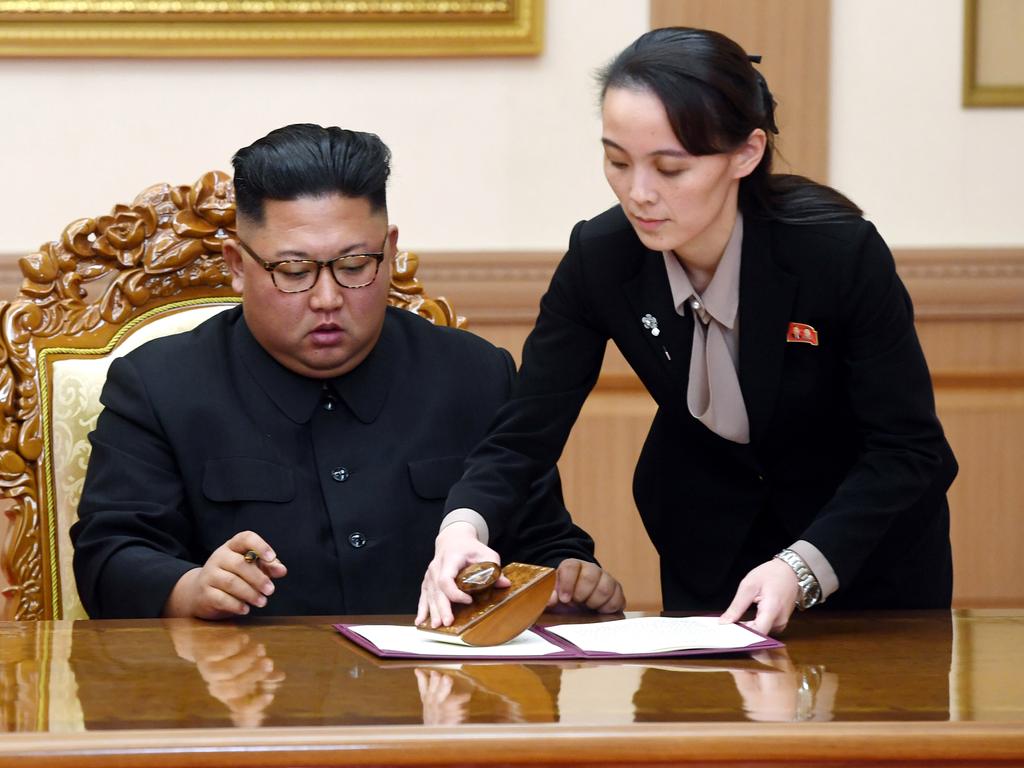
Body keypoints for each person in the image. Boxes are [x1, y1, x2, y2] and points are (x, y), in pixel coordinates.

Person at [418, 27, 957, 636]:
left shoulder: (837, 256)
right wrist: (462, 528)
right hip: (710, 545)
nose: (638, 193)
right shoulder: (601, 257)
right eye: (617, 161)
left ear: (747, 154)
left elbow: (906, 448)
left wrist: (802, 567)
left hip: (864, 555)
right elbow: (524, 434)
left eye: (670, 168)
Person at [70, 123, 624, 620]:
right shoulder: (159, 386)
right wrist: (191, 587)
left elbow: (545, 543)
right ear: (237, 267)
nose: (328, 298)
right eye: (294, 271)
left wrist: (572, 575)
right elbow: (108, 558)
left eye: (355, 265)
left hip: (437, 704)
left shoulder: (475, 375)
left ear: (390, 252)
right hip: (243, 707)